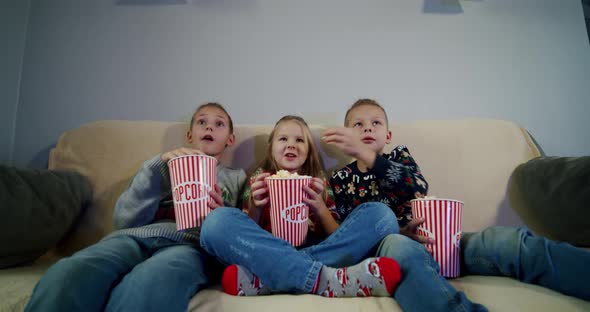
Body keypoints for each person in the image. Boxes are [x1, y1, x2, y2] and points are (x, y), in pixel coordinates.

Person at [323, 98, 590, 311]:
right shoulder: (341, 179)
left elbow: (416, 186)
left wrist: (371, 157)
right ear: (345, 137)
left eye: (375, 122)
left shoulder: (399, 157)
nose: (367, 128)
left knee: (505, 242)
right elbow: (350, 233)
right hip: (392, 247)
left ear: (388, 134)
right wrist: (397, 233)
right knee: (401, 249)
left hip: (440, 240)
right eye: (357, 125)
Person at [25, 102, 246, 312]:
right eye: (201, 122)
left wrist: (220, 214)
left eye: (219, 124)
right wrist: (156, 167)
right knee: (70, 273)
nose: (209, 126)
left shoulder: (236, 178)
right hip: (133, 238)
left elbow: (236, 238)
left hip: (190, 246)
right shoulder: (161, 166)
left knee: (153, 279)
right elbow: (124, 222)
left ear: (230, 139)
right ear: (189, 135)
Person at [200, 115, 401, 298]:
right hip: (266, 250)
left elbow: (337, 234)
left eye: (299, 140)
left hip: (315, 246)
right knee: (216, 222)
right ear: (271, 147)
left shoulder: (319, 180)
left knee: (382, 215)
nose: (292, 145)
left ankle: (268, 280)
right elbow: (246, 230)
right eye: (283, 139)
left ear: (309, 150)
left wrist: (320, 208)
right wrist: (257, 207)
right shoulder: (258, 179)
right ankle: (326, 280)